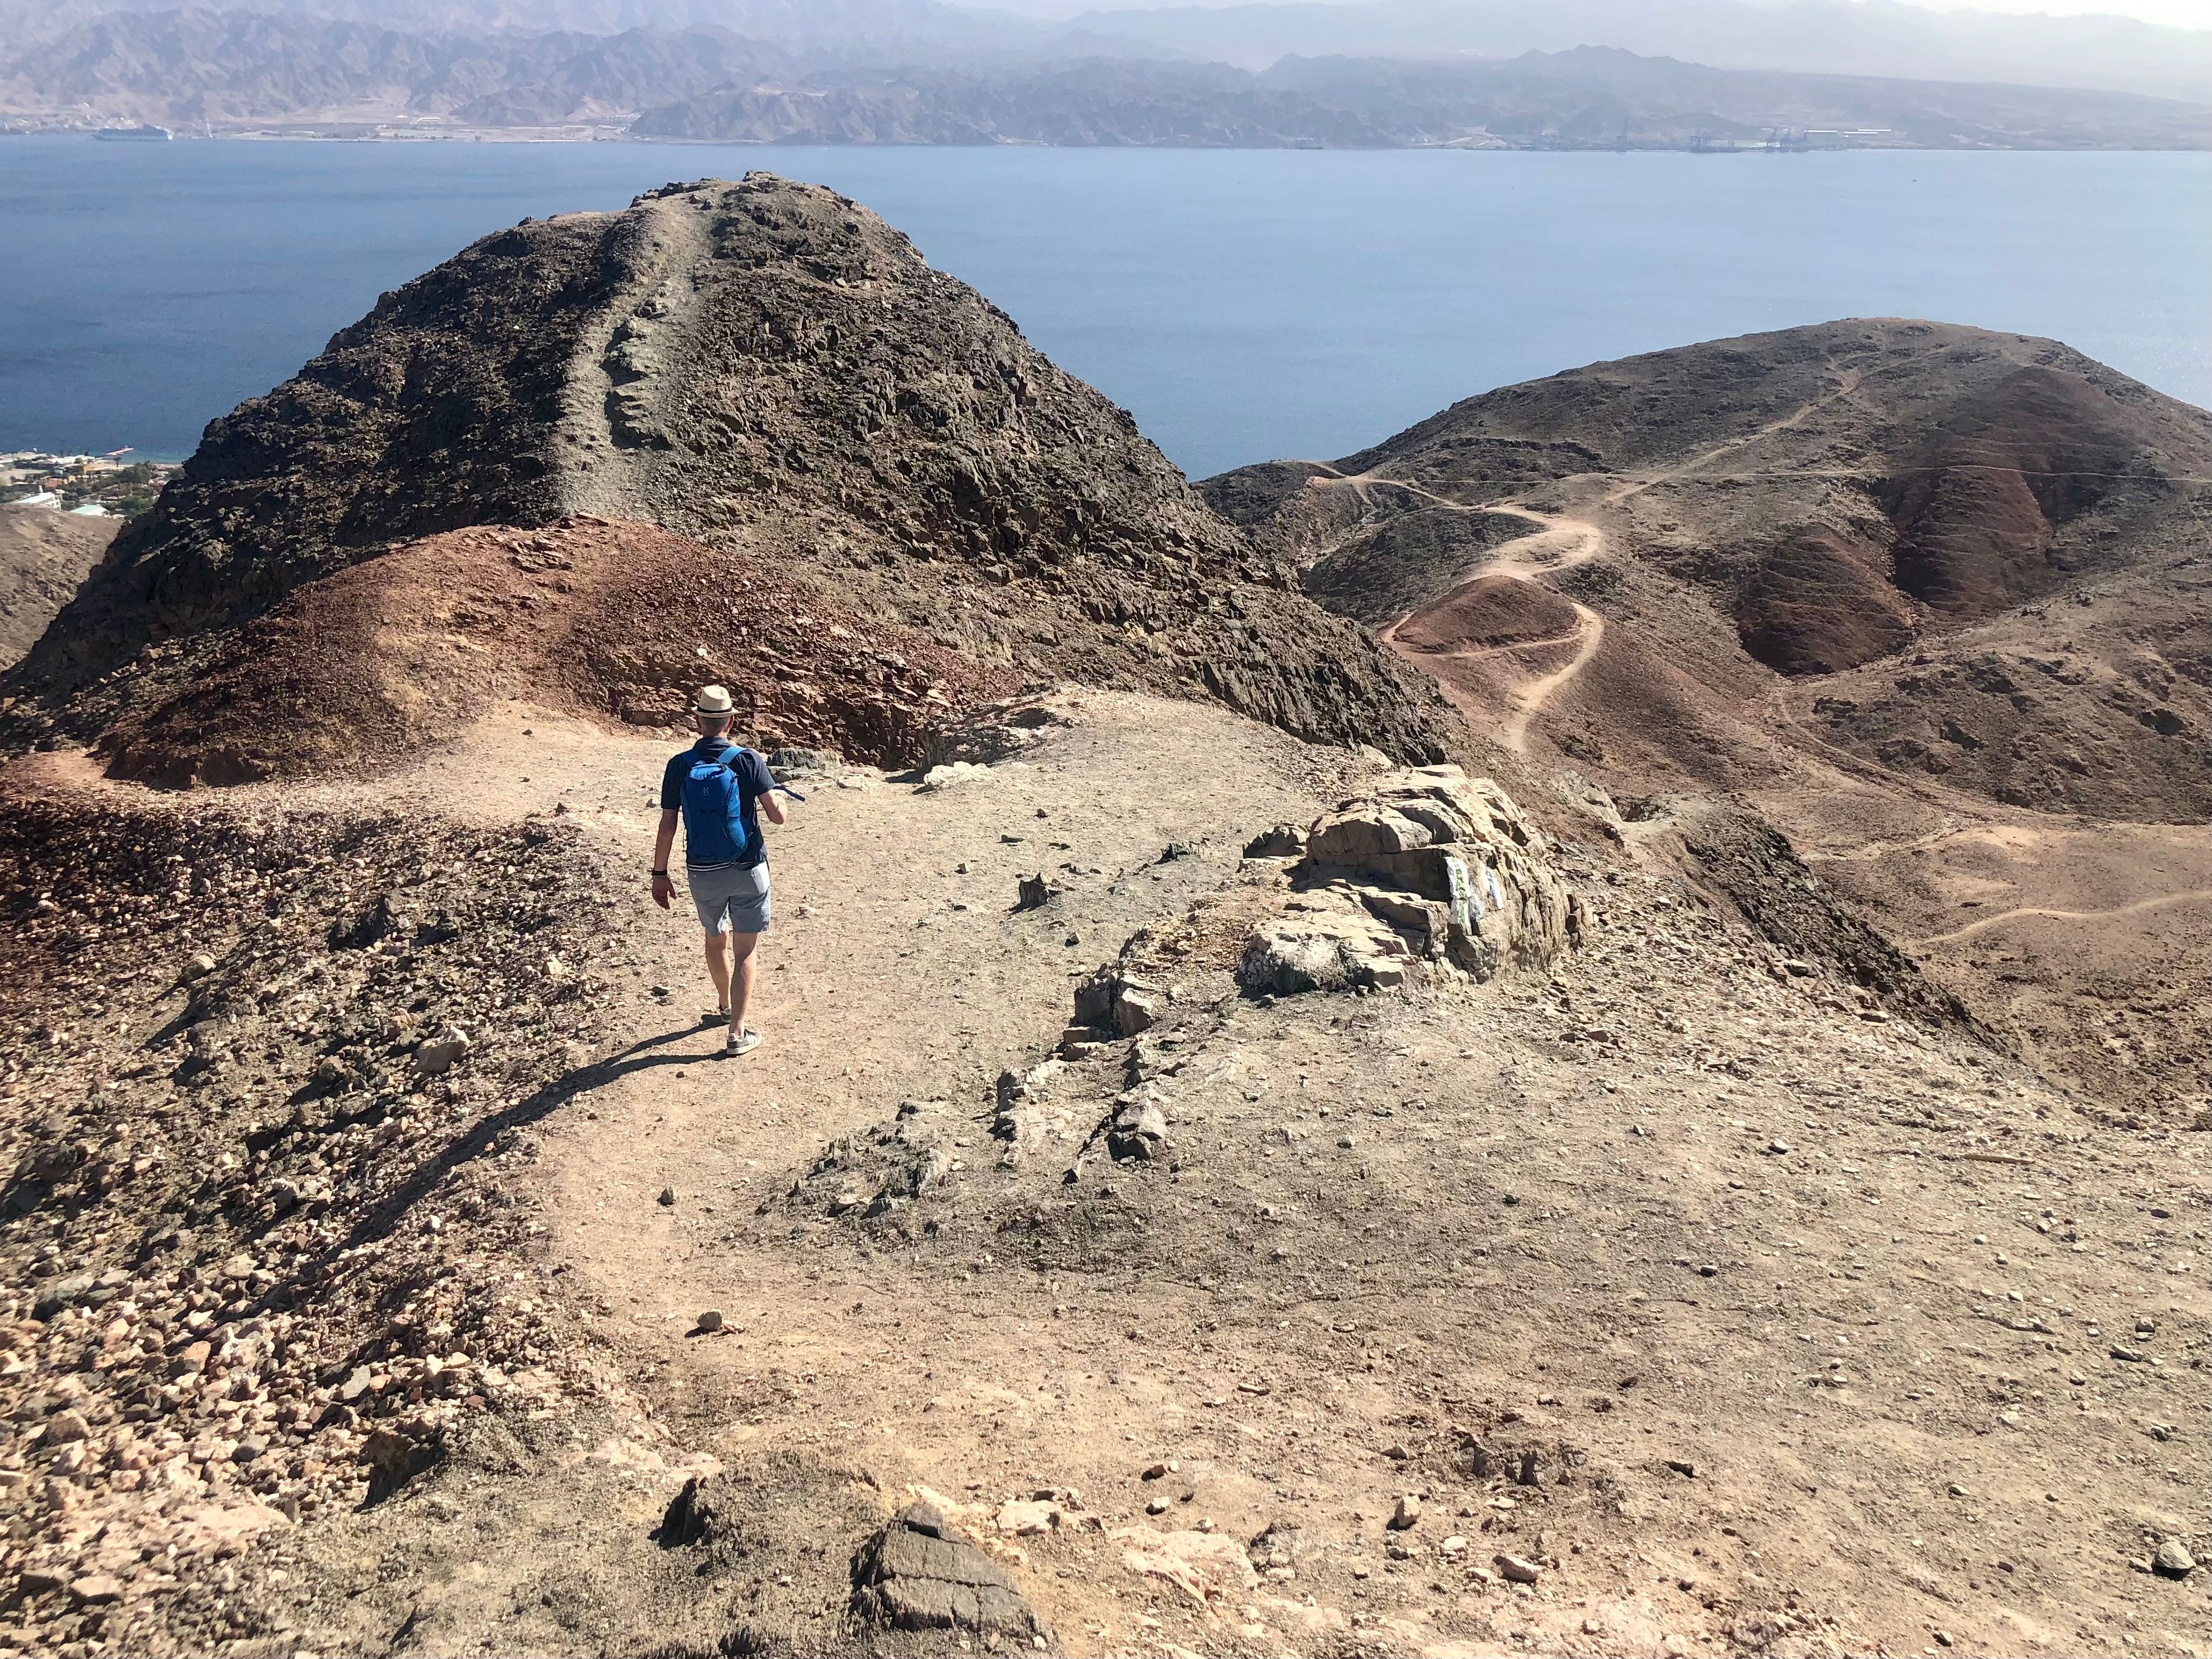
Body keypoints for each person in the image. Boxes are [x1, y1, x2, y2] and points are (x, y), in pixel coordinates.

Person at [651, 686, 786, 1056]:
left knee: (715, 938)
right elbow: (777, 816)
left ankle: (724, 1006)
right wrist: (780, 799)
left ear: (698, 721)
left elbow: (667, 824)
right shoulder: (748, 759)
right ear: (732, 720)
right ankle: (737, 1032)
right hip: (747, 866)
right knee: (745, 950)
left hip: (702, 870)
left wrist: (659, 873)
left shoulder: (679, 765)